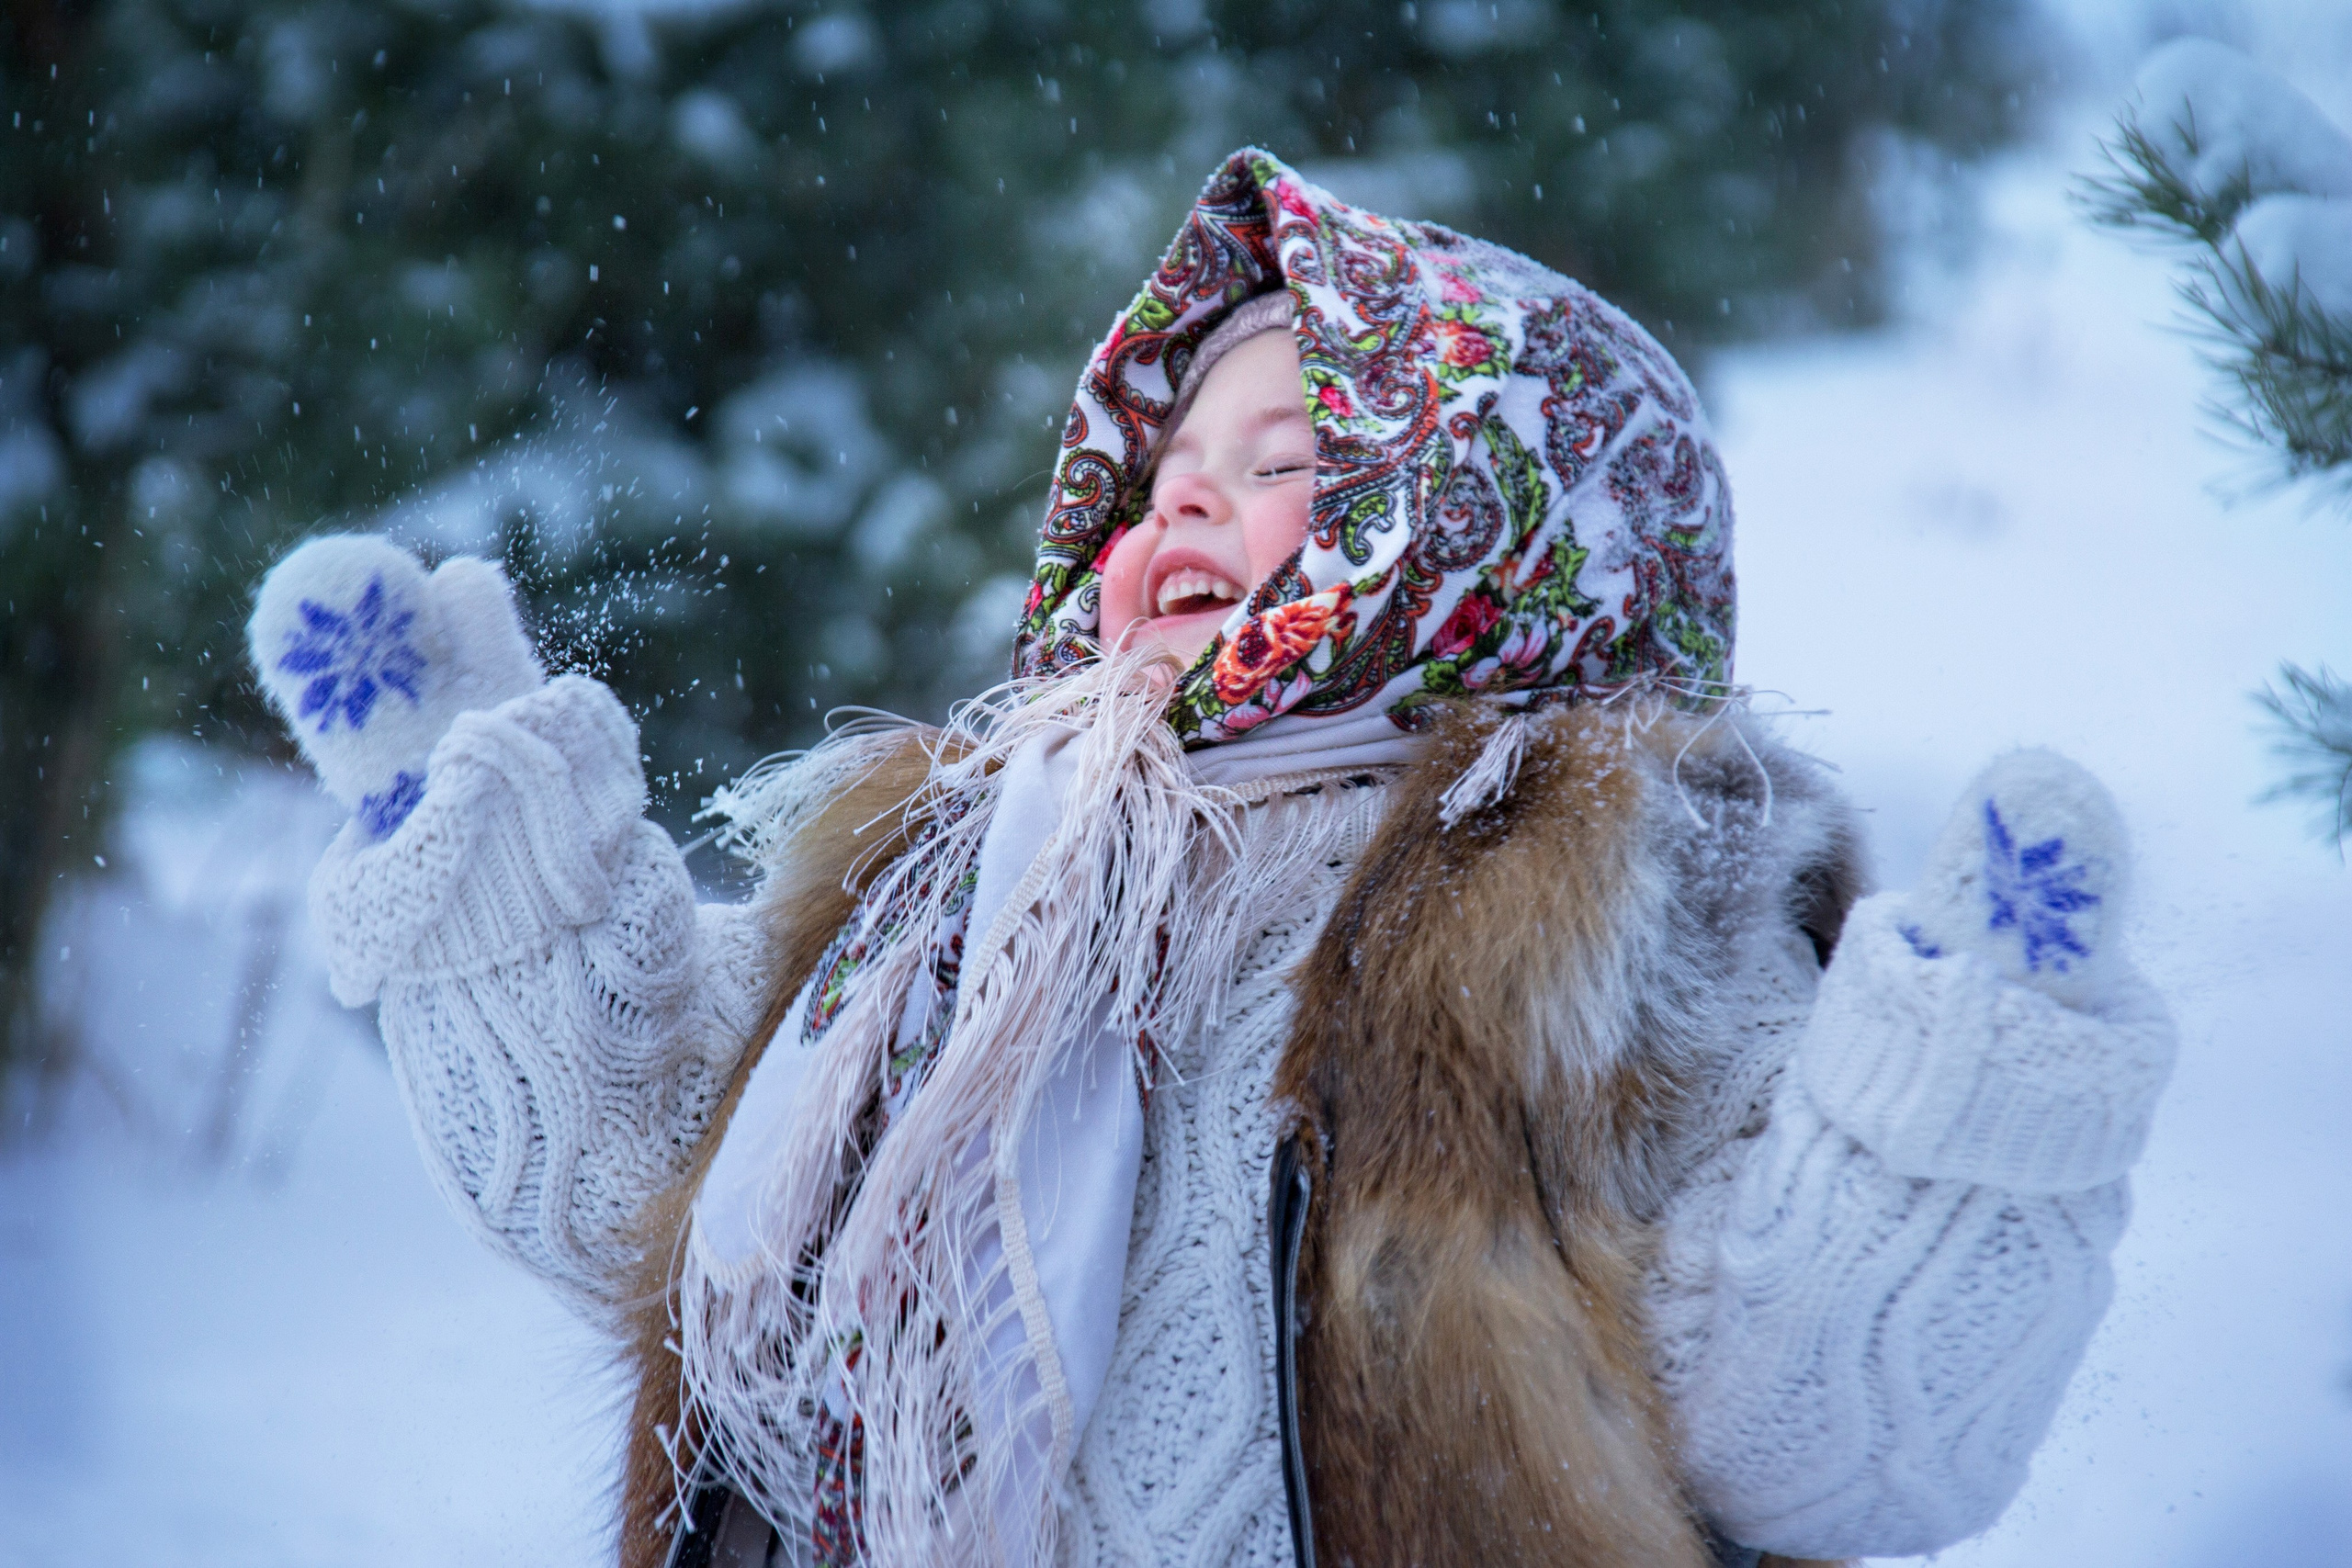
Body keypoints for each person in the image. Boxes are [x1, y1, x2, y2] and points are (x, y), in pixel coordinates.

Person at [245, 150, 2176, 1568]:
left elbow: (1802, 1424)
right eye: (1162, 469)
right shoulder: (955, 882)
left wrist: (1952, 1117)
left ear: (1489, 536)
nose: (1183, 497)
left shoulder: (1573, 922)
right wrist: (486, 849)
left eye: (1285, 463)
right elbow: (637, 1187)